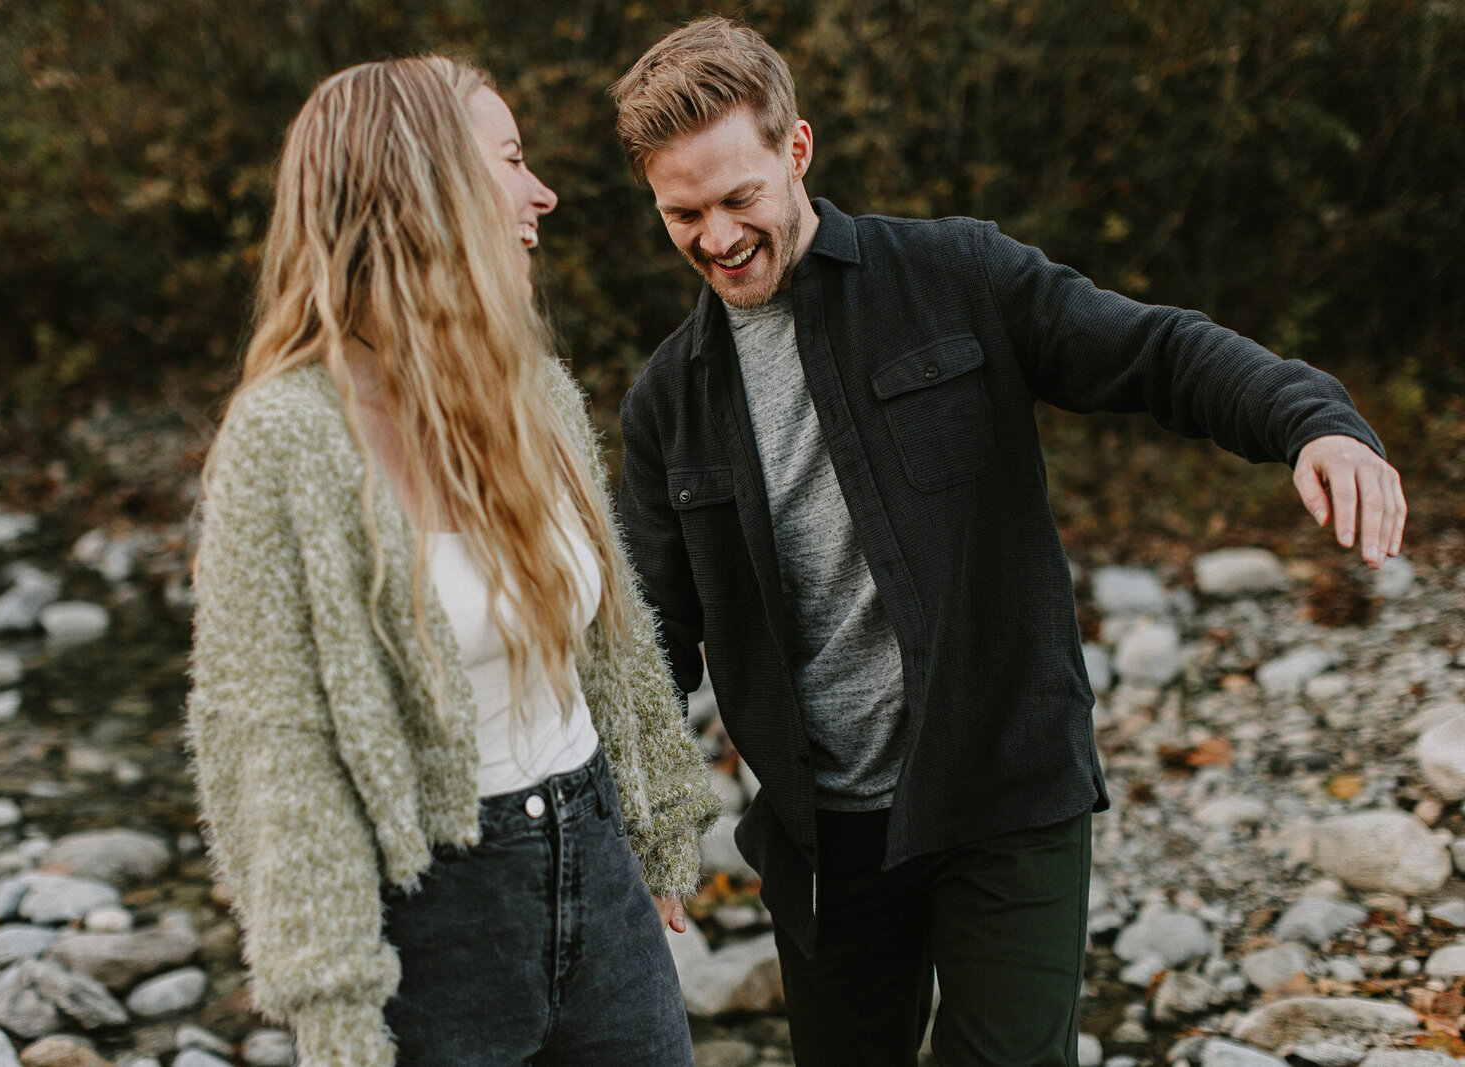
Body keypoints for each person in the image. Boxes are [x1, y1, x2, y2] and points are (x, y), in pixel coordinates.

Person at [609, 17, 1406, 1067]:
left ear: (795, 150)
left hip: (1003, 793)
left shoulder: (953, 274)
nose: (716, 236)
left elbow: (1155, 350)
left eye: (738, 198)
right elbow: (653, 639)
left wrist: (1314, 418)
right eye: (684, 213)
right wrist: (638, 822)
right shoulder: (667, 402)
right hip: (825, 842)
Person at [185, 57, 720, 1067]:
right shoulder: (288, 438)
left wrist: (654, 831)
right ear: (420, 187)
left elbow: (613, 642)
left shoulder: (538, 396)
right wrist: (334, 1005)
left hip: (597, 872)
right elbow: (273, 749)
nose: (541, 192)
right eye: (511, 159)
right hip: (432, 914)